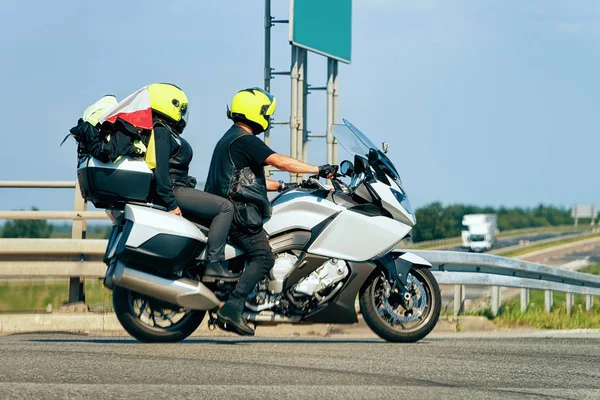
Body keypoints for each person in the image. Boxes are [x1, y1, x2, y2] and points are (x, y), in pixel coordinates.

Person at [205, 87, 338, 335]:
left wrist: (287, 186)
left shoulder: (230, 138)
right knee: (264, 256)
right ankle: (233, 307)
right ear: (256, 113)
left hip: (229, 208)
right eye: (267, 113)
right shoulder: (245, 140)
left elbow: (247, 180)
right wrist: (318, 169)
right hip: (238, 214)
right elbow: (281, 162)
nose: (269, 118)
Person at [148, 83, 237, 280]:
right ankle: (214, 265)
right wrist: (170, 203)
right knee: (225, 207)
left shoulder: (163, 130)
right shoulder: (160, 131)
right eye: (181, 109)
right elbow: (160, 171)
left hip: (176, 188)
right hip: (174, 189)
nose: (182, 114)